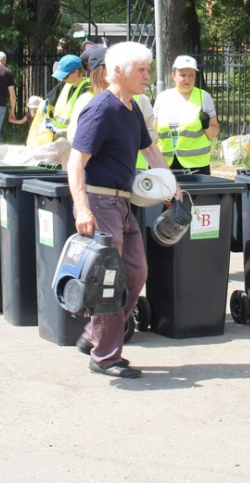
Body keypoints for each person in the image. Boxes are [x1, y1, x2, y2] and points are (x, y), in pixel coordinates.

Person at [68, 42, 177, 378]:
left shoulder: (131, 108)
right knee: (109, 282)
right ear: (117, 71)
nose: (148, 76)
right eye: (141, 70)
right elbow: (75, 162)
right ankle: (105, 356)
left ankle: (94, 336)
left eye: (148, 69)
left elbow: (150, 150)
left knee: (135, 273)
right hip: (101, 203)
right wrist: (82, 208)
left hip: (123, 202)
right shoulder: (101, 109)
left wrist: (171, 186)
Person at [153, 55, 220, 175]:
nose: (187, 79)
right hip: (165, 163)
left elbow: (214, 132)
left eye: (191, 75)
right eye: (182, 75)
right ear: (173, 75)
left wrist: (206, 126)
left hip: (196, 166)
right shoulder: (163, 97)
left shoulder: (203, 97)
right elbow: (154, 131)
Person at [47, 54, 89, 136]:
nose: (63, 79)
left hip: (74, 137)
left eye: (65, 76)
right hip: (57, 136)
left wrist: (63, 131)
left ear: (76, 72)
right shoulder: (65, 84)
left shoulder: (87, 89)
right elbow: (48, 103)